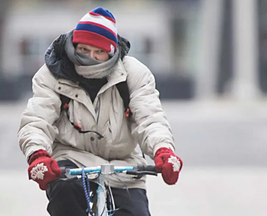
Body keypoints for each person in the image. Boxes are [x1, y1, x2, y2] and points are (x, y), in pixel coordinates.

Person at [18, 7, 183, 216]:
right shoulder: (51, 75)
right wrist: (38, 155)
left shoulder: (135, 74)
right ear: (74, 46)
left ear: (112, 52)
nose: (90, 58)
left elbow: (150, 119)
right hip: (71, 161)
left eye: (99, 52)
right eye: (84, 50)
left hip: (123, 165)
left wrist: (163, 151)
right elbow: (37, 120)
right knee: (64, 196)